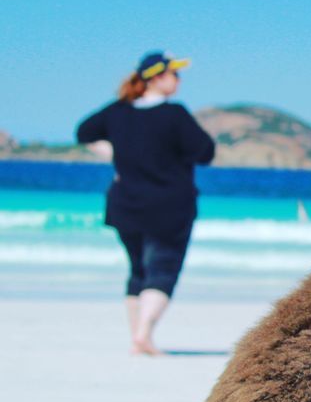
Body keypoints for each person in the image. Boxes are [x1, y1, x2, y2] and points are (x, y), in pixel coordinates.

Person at [76, 51, 216, 355]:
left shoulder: (117, 112)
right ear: (156, 77)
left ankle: (138, 338)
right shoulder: (174, 114)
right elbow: (205, 152)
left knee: (138, 271)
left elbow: (83, 132)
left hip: (125, 204)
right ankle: (143, 334)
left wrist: (116, 152)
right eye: (174, 74)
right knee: (163, 270)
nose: (178, 80)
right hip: (170, 206)